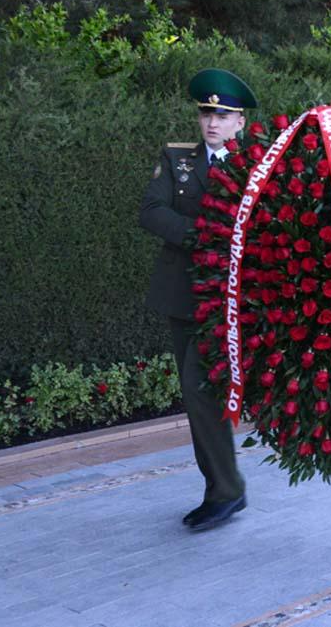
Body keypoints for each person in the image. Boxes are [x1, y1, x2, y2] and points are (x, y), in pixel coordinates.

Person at [140, 68, 254, 531]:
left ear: (239, 123)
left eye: (223, 115)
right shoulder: (177, 159)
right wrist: (203, 236)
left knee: (201, 390)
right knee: (196, 395)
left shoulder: (256, 165)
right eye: (208, 112)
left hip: (229, 300)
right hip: (184, 294)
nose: (212, 121)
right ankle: (221, 488)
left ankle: (227, 490)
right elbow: (151, 212)